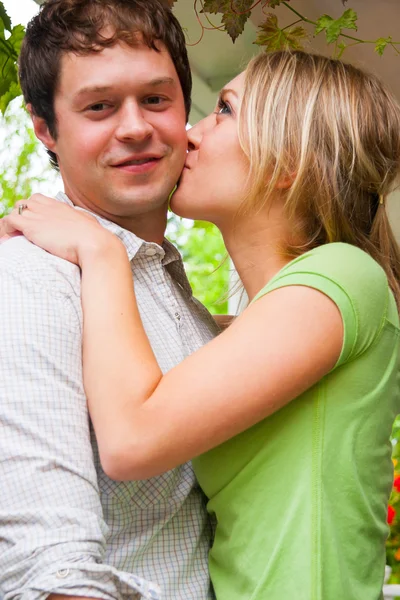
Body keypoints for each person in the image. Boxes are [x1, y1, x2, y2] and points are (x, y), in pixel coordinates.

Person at [4, 50, 400, 600]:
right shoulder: (274, 319)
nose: (190, 133)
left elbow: (132, 441)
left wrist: (99, 251)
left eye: (225, 111)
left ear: (288, 160)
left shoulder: (344, 273)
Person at [0, 1, 220, 599]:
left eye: (156, 99)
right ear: (45, 128)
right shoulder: (31, 282)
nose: (135, 127)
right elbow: (55, 574)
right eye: (99, 106)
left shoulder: (177, 295)